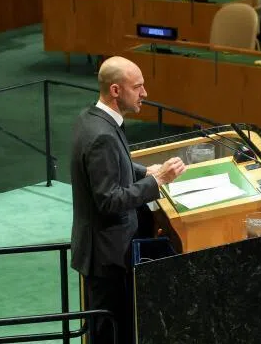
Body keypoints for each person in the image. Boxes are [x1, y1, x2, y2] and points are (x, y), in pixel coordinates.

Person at [70, 56, 186, 344]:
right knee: (110, 333)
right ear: (115, 91)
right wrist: (157, 181)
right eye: (138, 87)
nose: (145, 93)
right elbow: (108, 200)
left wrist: (147, 170)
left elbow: (114, 165)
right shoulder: (102, 136)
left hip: (103, 249)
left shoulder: (92, 119)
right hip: (109, 256)